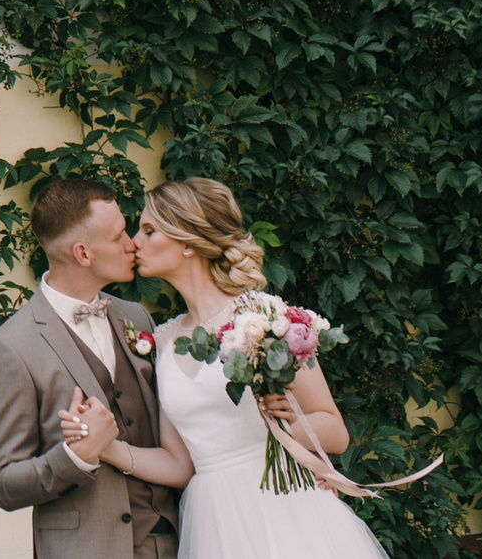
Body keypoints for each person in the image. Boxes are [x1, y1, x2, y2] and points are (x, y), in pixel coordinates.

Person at [57, 176, 388, 559]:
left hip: (288, 508)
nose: (135, 242)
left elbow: (335, 430)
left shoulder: (266, 318)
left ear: (186, 241)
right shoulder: (163, 341)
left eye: (149, 230)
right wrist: (107, 448)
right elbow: (180, 465)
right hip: (216, 523)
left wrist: (284, 428)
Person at [0, 177, 182, 559]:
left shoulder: (136, 317)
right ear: (83, 254)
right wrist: (77, 456)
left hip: (175, 541)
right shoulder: (10, 348)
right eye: (119, 236)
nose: (132, 244)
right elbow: (4, 484)